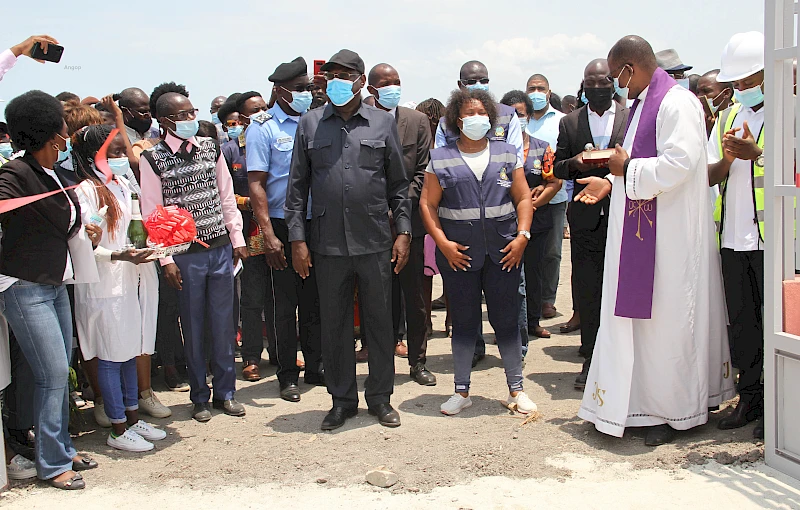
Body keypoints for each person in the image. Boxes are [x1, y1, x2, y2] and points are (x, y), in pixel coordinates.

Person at [575, 35, 735, 446]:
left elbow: (679, 164)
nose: (614, 85)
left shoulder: (676, 103)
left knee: (667, 322)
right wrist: (612, 176)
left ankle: (674, 411)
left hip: (670, 240)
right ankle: (635, 403)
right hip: (642, 232)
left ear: (631, 66)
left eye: (616, 76)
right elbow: (635, 163)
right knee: (640, 324)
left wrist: (626, 168)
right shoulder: (646, 102)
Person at [285, 49, 411, 430]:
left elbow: (399, 185)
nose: (336, 82)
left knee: (379, 322)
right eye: (331, 75)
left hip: (374, 239)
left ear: (360, 80)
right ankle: (342, 400)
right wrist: (297, 240)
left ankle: (380, 398)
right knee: (335, 324)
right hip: (327, 244)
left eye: (345, 75)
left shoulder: (381, 123)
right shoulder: (309, 124)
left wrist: (403, 232)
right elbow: (296, 188)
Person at [0, 90, 101, 490]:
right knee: (52, 372)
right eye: (62, 127)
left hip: (56, 282)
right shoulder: (15, 174)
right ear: (50, 134)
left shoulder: (54, 174)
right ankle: (52, 463)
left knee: (61, 369)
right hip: (24, 287)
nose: (67, 134)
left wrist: (85, 227)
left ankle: (60, 446)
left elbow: (61, 221)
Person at [420, 88, 535, 416]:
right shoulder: (440, 157)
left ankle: (517, 389)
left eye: (482, 113)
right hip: (459, 255)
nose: (477, 118)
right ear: (457, 120)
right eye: (469, 114)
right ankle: (461, 390)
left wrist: (523, 235)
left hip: (504, 251)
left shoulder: (506, 153)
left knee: (506, 320)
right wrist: (442, 243)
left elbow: (523, 198)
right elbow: (427, 204)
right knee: (466, 321)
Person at [139, 92, 248, 422]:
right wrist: (166, 260)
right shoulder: (153, 159)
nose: (189, 120)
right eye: (181, 115)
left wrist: (237, 237)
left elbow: (226, 196)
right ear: (165, 121)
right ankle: (199, 395)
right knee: (194, 324)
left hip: (219, 249)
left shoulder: (210, 148)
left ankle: (226, 392)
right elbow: (152, 213)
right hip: (185, 254)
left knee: (224, 324)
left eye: (191, 114)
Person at [71, 124, 167, 451]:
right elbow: (84, 244)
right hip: (102, 286)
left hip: (128, 282)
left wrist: (150, 246)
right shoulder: (86, 191)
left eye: (121, 152)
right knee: (111, 357)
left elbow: (133, 231)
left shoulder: (124, 184)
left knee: (127, 353)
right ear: (93, 156)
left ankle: (133, 418)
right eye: (113, 153)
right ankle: (116, 428)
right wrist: (119, 254)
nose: (122, 158)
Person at [436, 60, 524, 366]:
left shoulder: (508, 117)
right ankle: (471, 354)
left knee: (510, 299)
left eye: (484, 79)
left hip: (502, 230)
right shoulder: (446, 124)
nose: (478, 84)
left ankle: (515, 356)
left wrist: (522, 232)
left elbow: (517, 172)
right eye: (472, 80)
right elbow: (437, 177)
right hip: (461, 232)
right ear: (460, 85)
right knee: (464, 304)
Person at [246, 57, 324, 400]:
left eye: (308, 88)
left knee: (315, 301)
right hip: (279, 222)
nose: (306, 94)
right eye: (299, 89)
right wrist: (268, 235)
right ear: (279, 91)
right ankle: (287, 374)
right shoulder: (262, 127)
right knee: (283, 303)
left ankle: (315, 365)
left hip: (314, 221)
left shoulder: (317, 122)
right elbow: (257, 184)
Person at [553, 59, 629, 389]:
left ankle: (625, 359)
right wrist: (578, 162)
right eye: (591, 83)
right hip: (585, 217)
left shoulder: (630, 117)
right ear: (582, 85)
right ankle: (591, 358)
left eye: (604, 82)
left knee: (623, 287)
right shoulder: (570, 123)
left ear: (613, 83)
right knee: (589, 289)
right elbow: (557, 168)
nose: (597, 88)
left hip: (625, 214)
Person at [708, 32, 769, 440]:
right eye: (739, 84)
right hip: (732, 240)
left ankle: (779, 406)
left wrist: (759, 154)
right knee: (743, 325)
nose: (744, 89)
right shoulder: (728, 118)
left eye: (751, 80)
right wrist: (729, 159)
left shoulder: (791, 111)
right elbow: (710, 175)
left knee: (776, 325)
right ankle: (749, 398)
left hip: (774, 242)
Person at [367, 63, 436, 385]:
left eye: (397, 82)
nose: (393, 87)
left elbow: (423, 170)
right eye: (385, 83)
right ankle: (381, 364)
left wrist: (398, 209)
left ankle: (418, 362)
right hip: (371, 223)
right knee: (378, 297)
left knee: (416, 297)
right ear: (371, 89)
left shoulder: (417, 122)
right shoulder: (360, 119)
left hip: (411, 222)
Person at [500, 90, 561, 349]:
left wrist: (532, 204)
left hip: (537, 221)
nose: (516, 119)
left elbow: (554, 182)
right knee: (507, 277)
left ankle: (533, 321)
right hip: (505, 223)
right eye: (511, 114)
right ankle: (507, 326)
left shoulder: (542, 147)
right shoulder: (498, 150)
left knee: (534, 272)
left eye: (521, 114)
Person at [526, 73, 567, 323]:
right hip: (523, 198)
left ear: (549, 93)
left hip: (554, 195)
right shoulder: (519, 121)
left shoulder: (561, 120)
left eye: (541, 88)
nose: (536, 93)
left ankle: (547, 300)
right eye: (532, 88)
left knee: (551, 252)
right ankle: (527, 300)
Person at [696, 70, 734, 137]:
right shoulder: (697, 121)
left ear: (726, 93)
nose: (699, 97)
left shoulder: (736, 119)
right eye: (698, 92)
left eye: (706, 91)